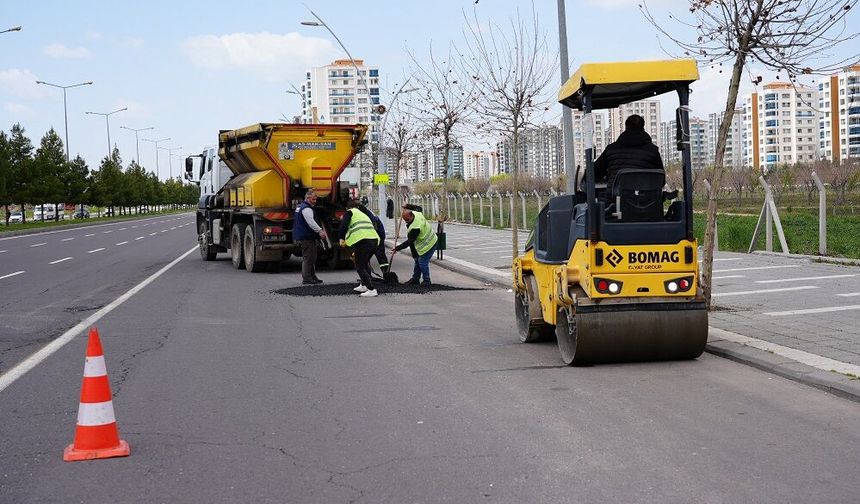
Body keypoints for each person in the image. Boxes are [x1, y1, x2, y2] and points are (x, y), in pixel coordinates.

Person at [594, 114, 664, 191]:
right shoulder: (653, 151)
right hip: (646, 200)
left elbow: (595, 174)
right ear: (643, 127)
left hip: (615, 199)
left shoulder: (611, 149)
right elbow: (661, 179)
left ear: (626, 127)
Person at [338, 200, 380, 297]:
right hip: (374, 241)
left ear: (347, 208)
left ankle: (371, 289)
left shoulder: (349, 212)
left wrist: (341, 238)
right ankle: (364, 285)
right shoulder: (363, 214)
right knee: (365, 263)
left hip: (364, 242)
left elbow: (343, 226)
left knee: (360, 266)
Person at [392, 207, 437, 286]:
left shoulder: (415, 227)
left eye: (407, 220)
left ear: (411, 215)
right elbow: (419, 208)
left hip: (429, 243)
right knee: (417, 260)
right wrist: (407, 205)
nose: (406, 222)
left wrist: (397, 248)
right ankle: (415, 278)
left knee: (422, 262)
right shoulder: (417, 213)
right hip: (426, 241)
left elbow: (410, 242)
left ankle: (427, 280)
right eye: (405, 220)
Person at [294, 189, 327, 285]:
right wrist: (320, 231)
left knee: (312, 257)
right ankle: (307, 278)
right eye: (313, 199)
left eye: (316, 199)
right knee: (309, 257)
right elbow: (311, 222)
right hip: (306, 236)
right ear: (307, 198)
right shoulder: (306, 209)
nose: (315, 201)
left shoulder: (300, 207)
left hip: (305, 235)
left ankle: (312, 276)